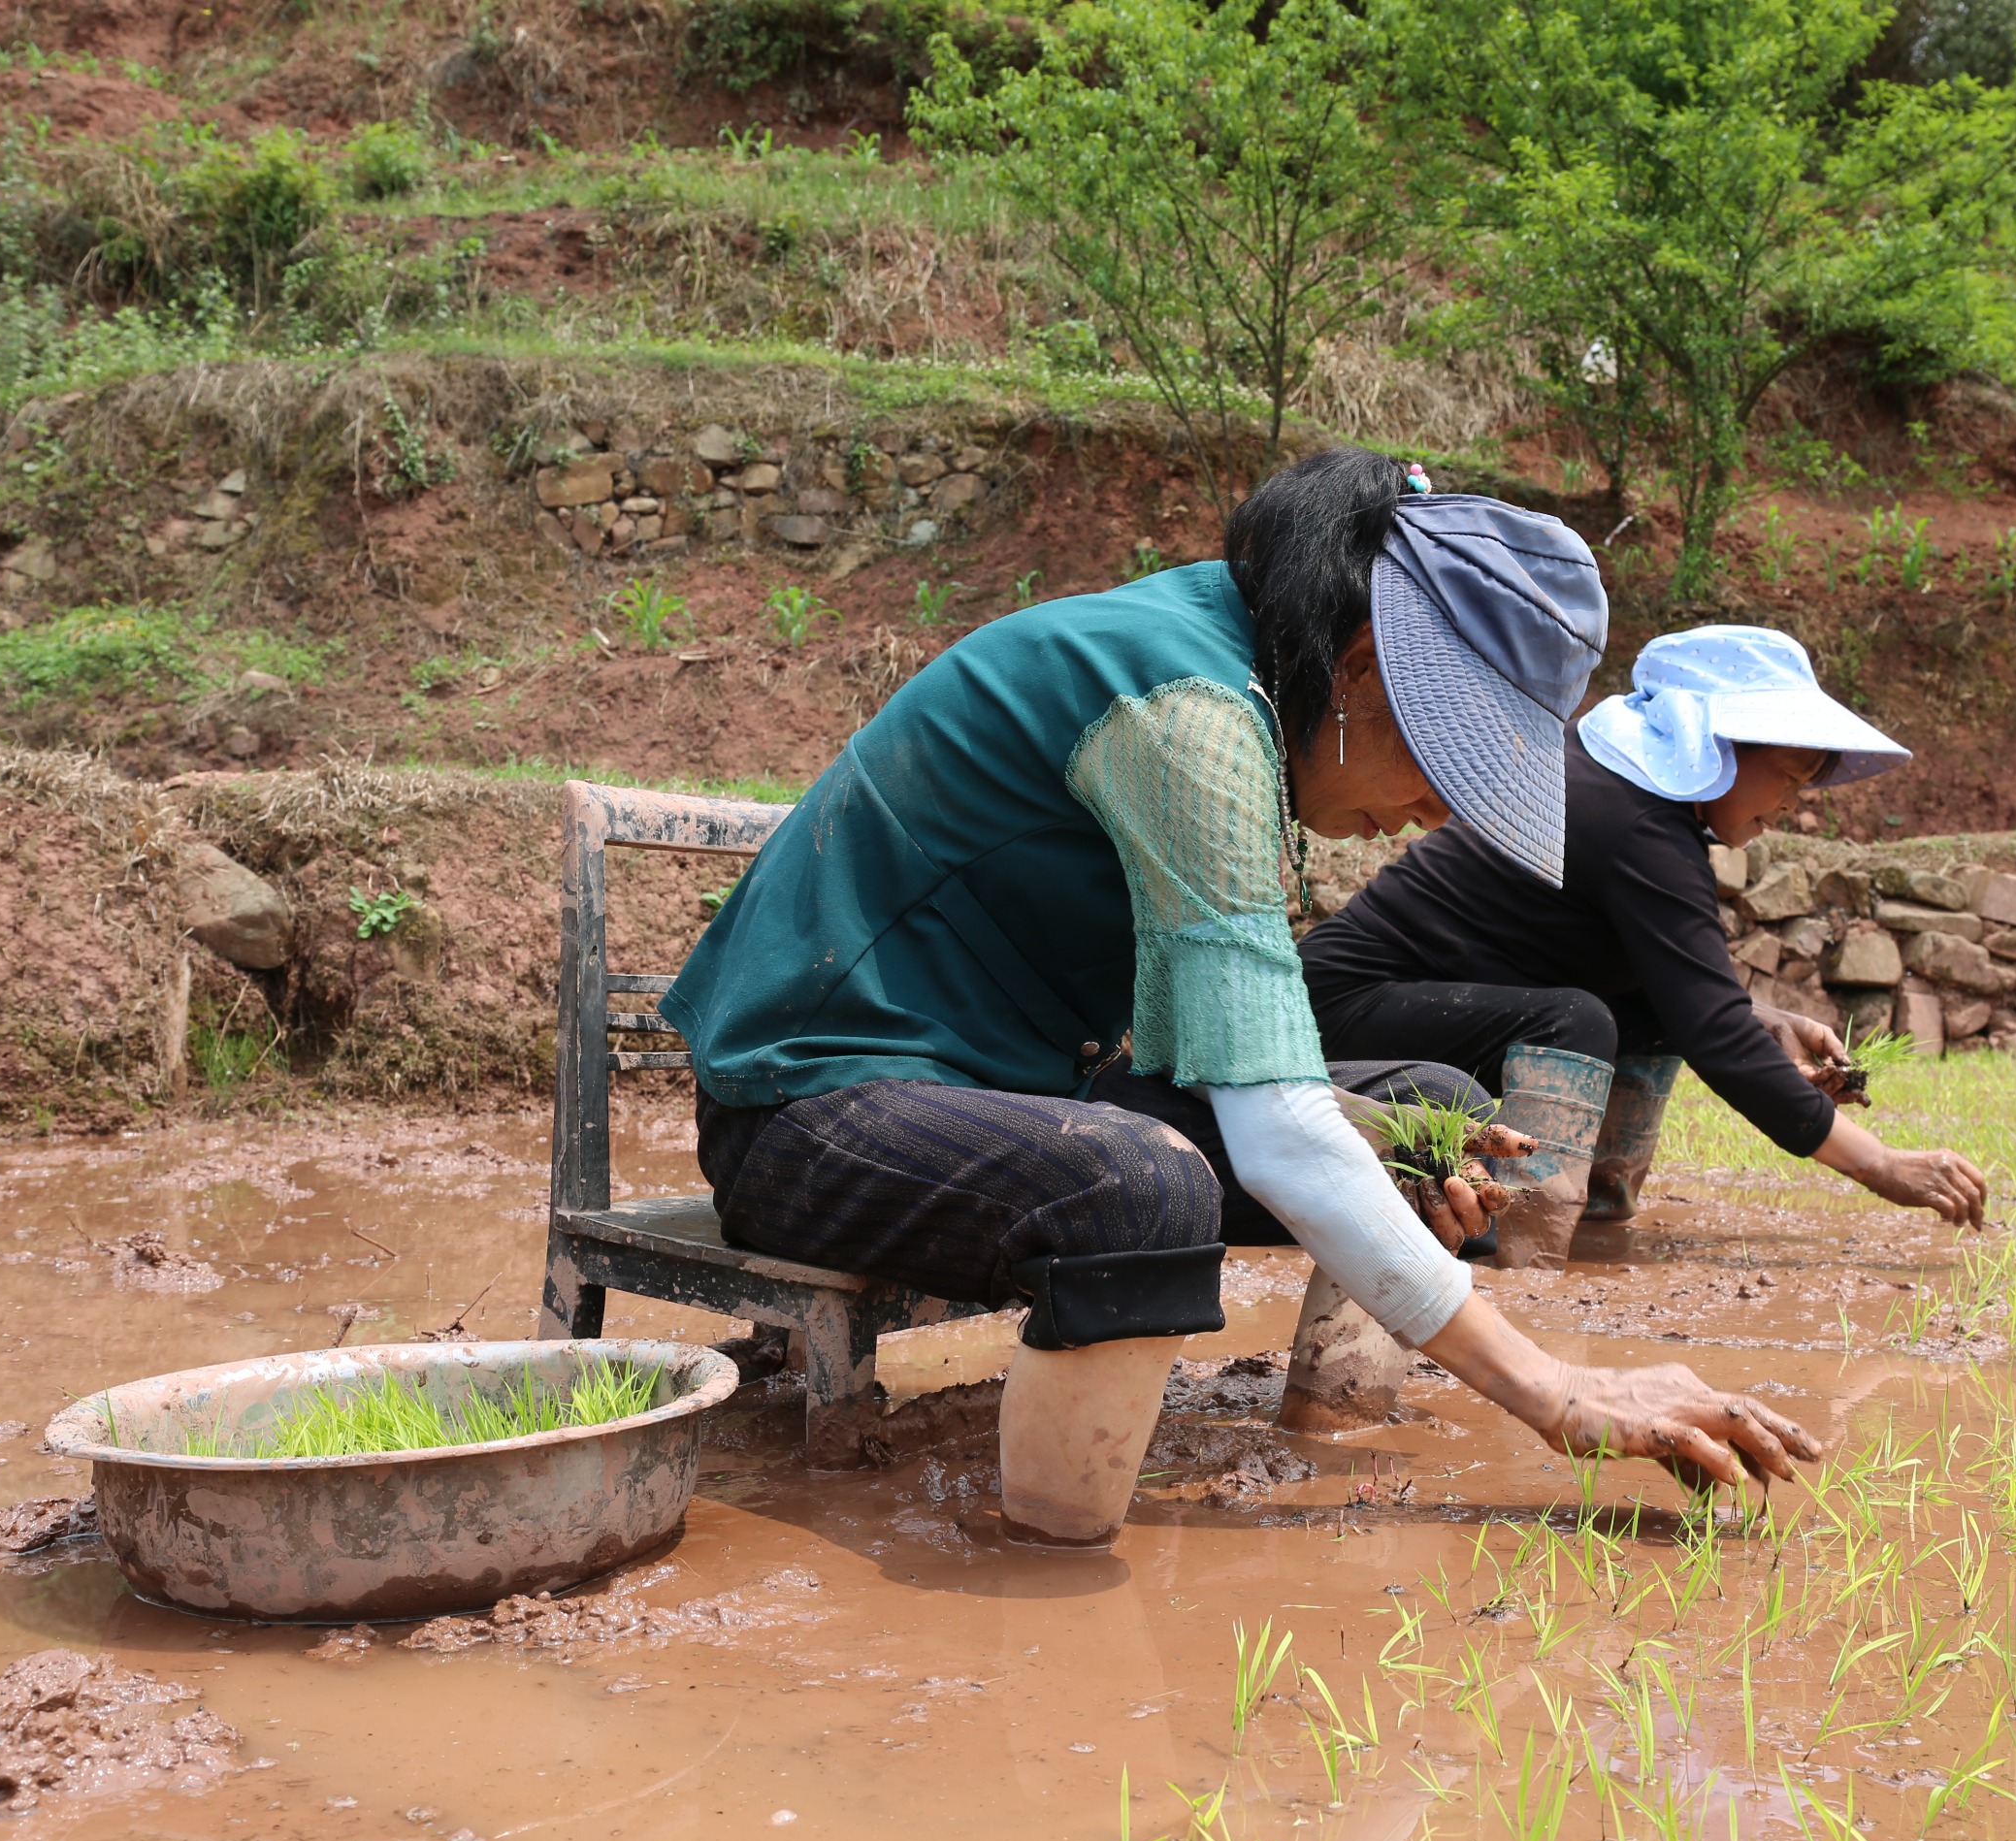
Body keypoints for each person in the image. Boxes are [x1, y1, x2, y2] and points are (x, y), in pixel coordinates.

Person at [662, 451, 1822, 1547]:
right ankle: (1049, 1573)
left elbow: (1212, 1056)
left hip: (1002, 1091)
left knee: (1422, 1120)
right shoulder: (1190, 713)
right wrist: (1552, 1385)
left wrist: (1383, 1132)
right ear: (1363, 665)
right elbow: (1271, 1127)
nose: (1435, 813)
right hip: (811, 1109)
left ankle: (1335, 1432)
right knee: (1140, 1187)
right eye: (1446, 763)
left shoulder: (1243, 672)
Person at [1297, 625, 1989, 1264]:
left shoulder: (1619, 793)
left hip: (1384, 1002)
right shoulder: (1638, 825)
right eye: (1787, 775)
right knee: (1576, 1021)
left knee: (1645, 1019)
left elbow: (1689, 1000)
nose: (1791, 803)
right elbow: (1715, 1030)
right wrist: (1882, 1164)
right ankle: (1521, 1232)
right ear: (1712, 747)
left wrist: (1763, 1020)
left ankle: (1595, 1200)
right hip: (1336, 1014)